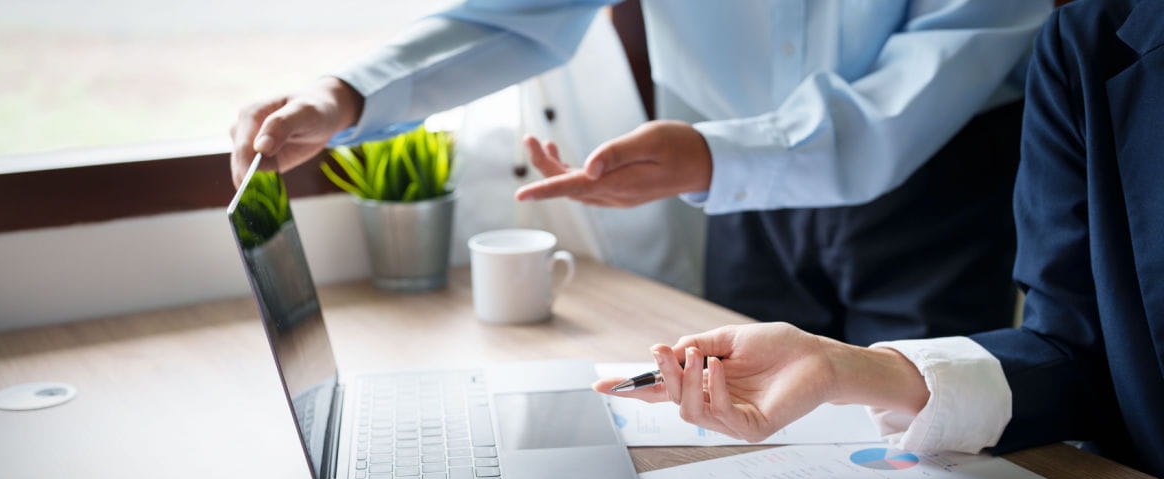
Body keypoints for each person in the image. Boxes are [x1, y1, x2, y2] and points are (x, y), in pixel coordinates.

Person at [231, 2, 1052, 345]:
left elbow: (935, 73)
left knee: (932, 452)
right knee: (750, 430)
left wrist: (718, 156)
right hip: (739, 192)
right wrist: (342, 97)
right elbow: (517, 15)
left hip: (939, 184)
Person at [597, 0, 1164, 479]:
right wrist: (837, 368)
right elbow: (1081, 357)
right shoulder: (1089, 48)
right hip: (737, 170)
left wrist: (726, 157)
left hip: (932, 164)